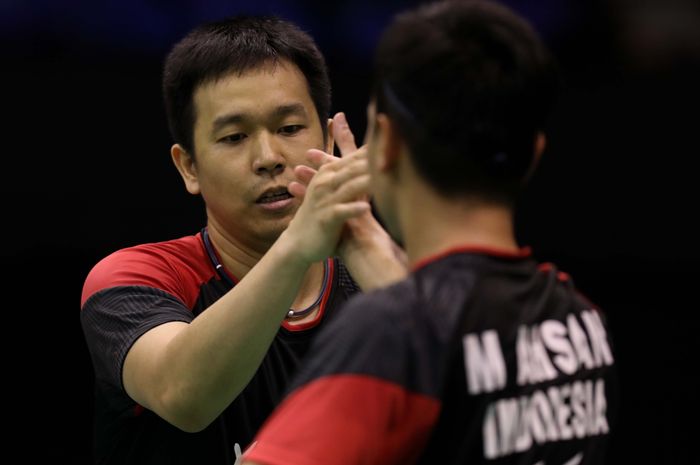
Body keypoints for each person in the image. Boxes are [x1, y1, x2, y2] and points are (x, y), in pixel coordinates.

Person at [241, 1, 619, 464]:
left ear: (389, 144)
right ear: (533, 154)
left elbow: (427, 331)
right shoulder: (580, 321)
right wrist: (362, 238)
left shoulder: (389, 329)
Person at [79, 15, 406, 465]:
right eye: (234, 137)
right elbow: (184, 397)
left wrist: (365, 244)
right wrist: (299, 244)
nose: (269, 158)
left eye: (290, 128)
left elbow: (469, 395)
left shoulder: (380, 280)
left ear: (330, 140)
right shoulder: (134, 280)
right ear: (188, 166)